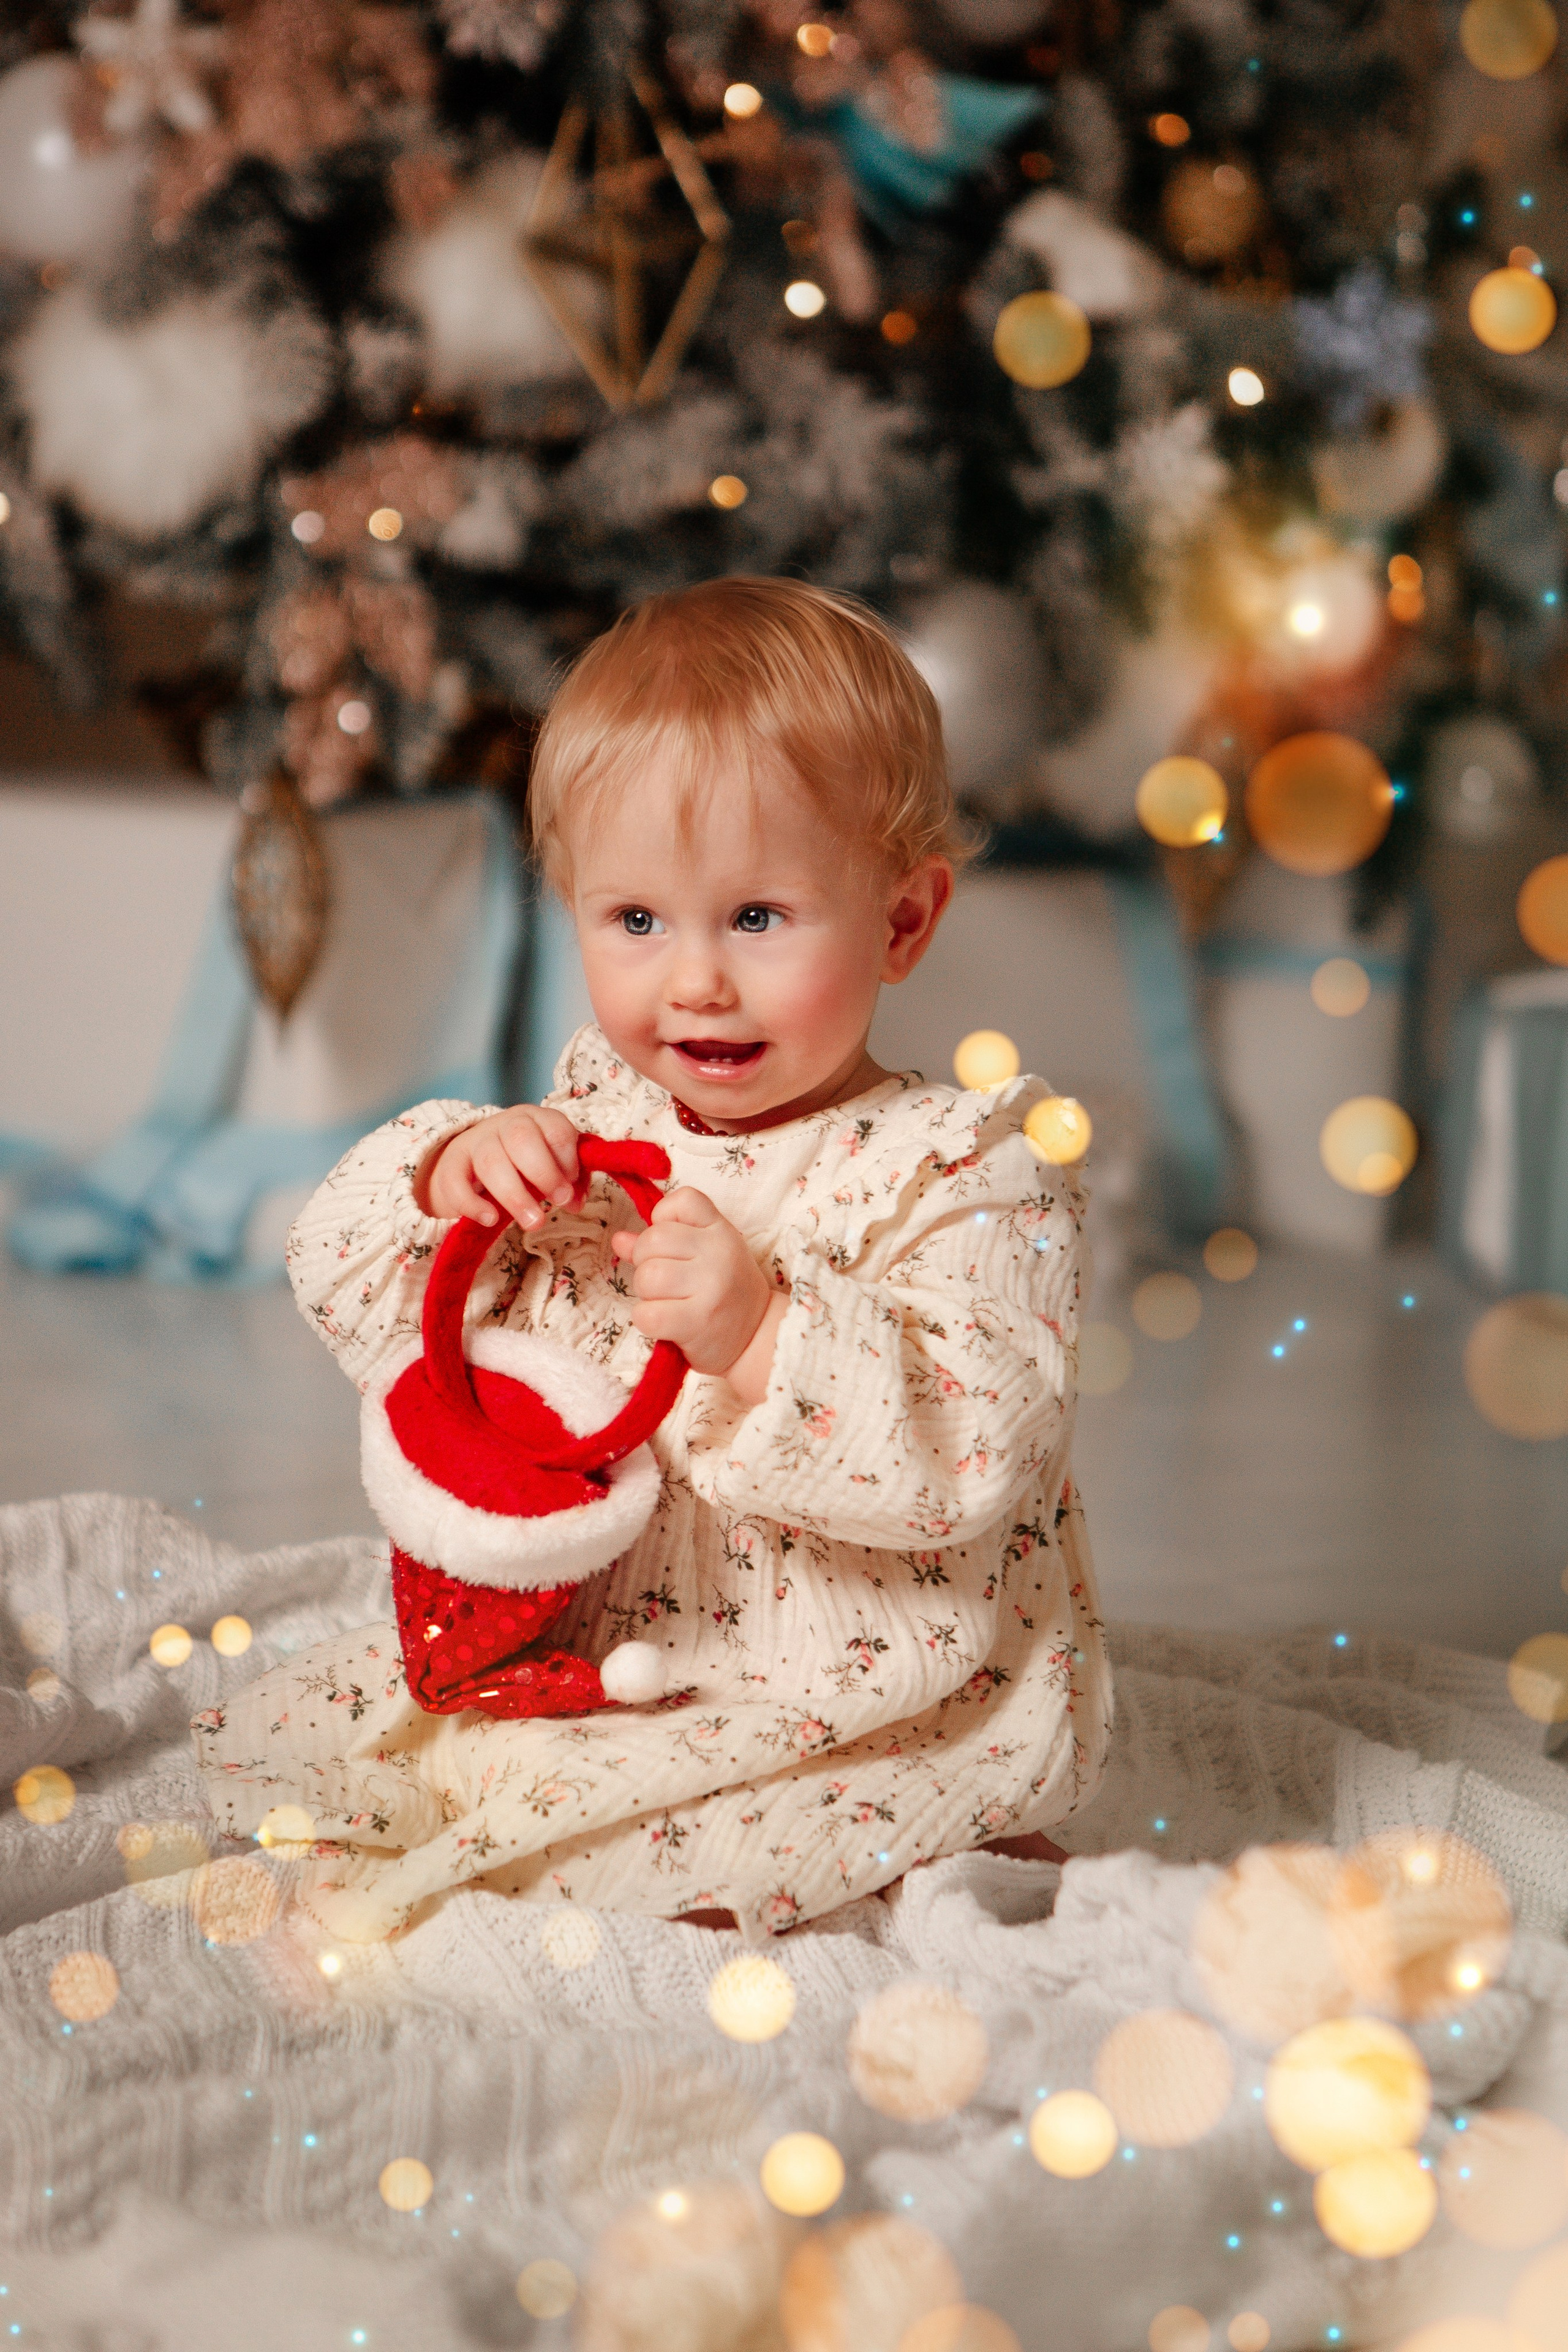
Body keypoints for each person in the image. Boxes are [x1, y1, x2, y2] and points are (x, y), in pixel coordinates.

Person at [194, 577, 1111, 1943]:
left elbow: (976, 1452)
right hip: (595, 1641)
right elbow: (368, 1310)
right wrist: (447, 1179)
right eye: (635, 922)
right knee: (347, 1754)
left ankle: (923, 1823)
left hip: (847, 1685)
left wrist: (764, 1332)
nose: (693, 982)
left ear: (902, 921)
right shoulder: (591, 1126)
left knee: (683, 1860)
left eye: (757, 918)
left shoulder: (963, 1175)